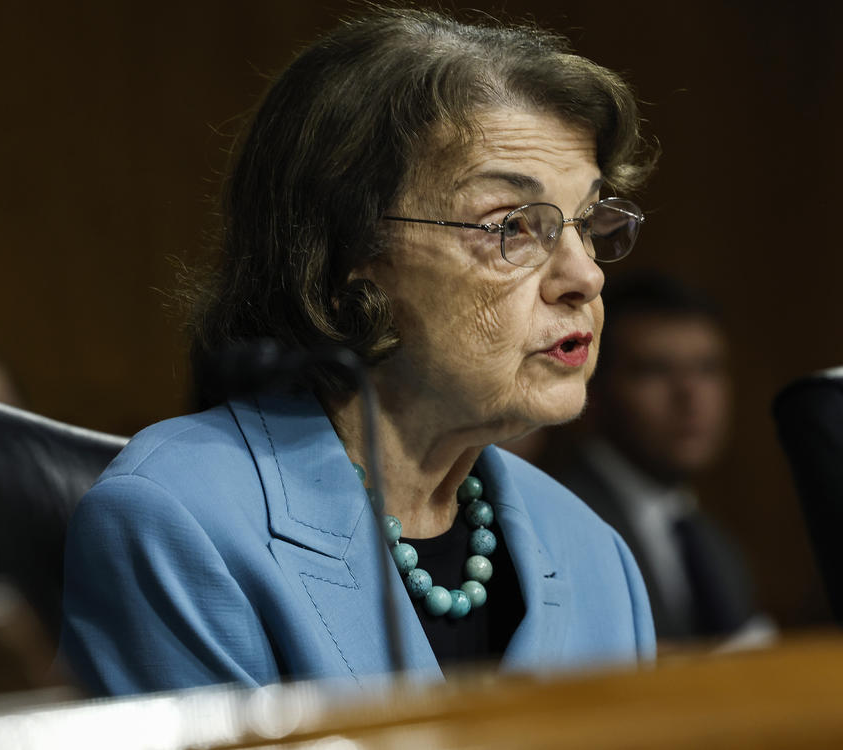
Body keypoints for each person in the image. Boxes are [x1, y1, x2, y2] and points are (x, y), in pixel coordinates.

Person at [59, 7, 657, 696]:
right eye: (514, 227)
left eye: (586, 223)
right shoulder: (179, 522)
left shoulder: (596, 555)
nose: (585, 276)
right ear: (348, 250)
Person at [550, 271, 770, 642]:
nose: (690, 396)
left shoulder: (719, 550)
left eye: (707, 369)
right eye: (655, 371)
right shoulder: (557, 524)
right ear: (595, 387)